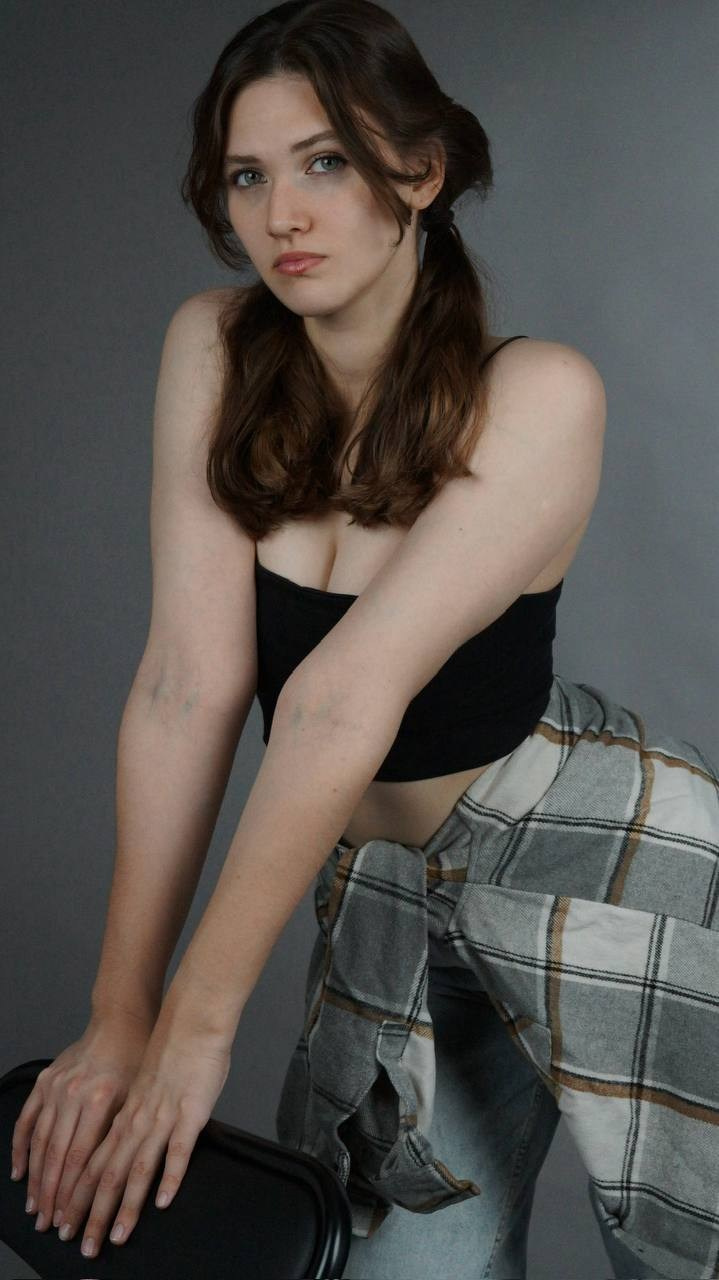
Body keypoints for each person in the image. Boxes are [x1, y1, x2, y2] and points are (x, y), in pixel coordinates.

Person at [10, 2, 718, 1277]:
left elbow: (341, 696)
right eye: (247, 175)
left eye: (325, 160)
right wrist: (121, 1014)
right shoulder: (214, 347)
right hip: (383, 894)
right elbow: (184, 684)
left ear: (420, 172)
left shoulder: (538, 392)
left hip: (597, 870)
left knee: (689, 1249)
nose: (282, 213)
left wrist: (195, 1027)